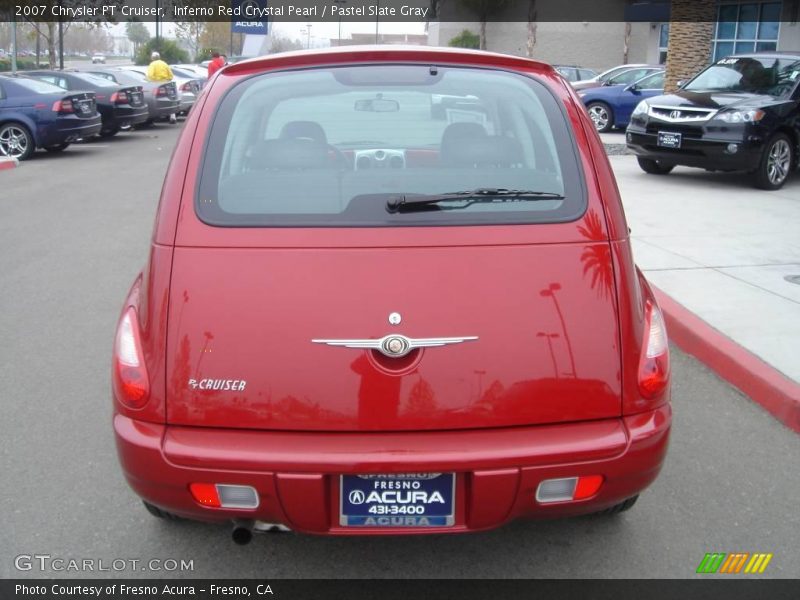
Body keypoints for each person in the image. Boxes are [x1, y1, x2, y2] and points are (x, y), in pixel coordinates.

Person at [146, 51, 177, 124]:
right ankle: (173, 117)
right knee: (170, 100)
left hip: (157, 84)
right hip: (166, 84)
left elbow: (150, 75)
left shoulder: (152, 64)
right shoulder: (164, 64)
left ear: (152, 58)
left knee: (156, 101)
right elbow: (171, 75)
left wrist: (153, 81)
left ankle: (156, 118)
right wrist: (166, 80)